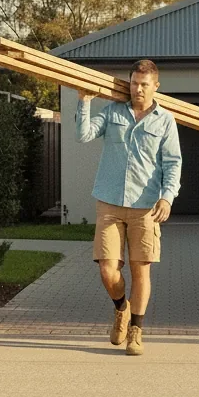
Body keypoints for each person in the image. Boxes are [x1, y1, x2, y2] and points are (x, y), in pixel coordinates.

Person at [77, 59, 182, 356]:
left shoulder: (164, 121)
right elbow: (84, 135)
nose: (138, 89)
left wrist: (167, 197)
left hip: (146, 206)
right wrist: (85, 102)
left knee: (141, 271)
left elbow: (173, 163)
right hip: (109, 203)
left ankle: (136, 330)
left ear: (155, 86)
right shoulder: (112, 112)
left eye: (144, 84)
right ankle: (121, 308)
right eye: (135, 83)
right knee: (108, 271)